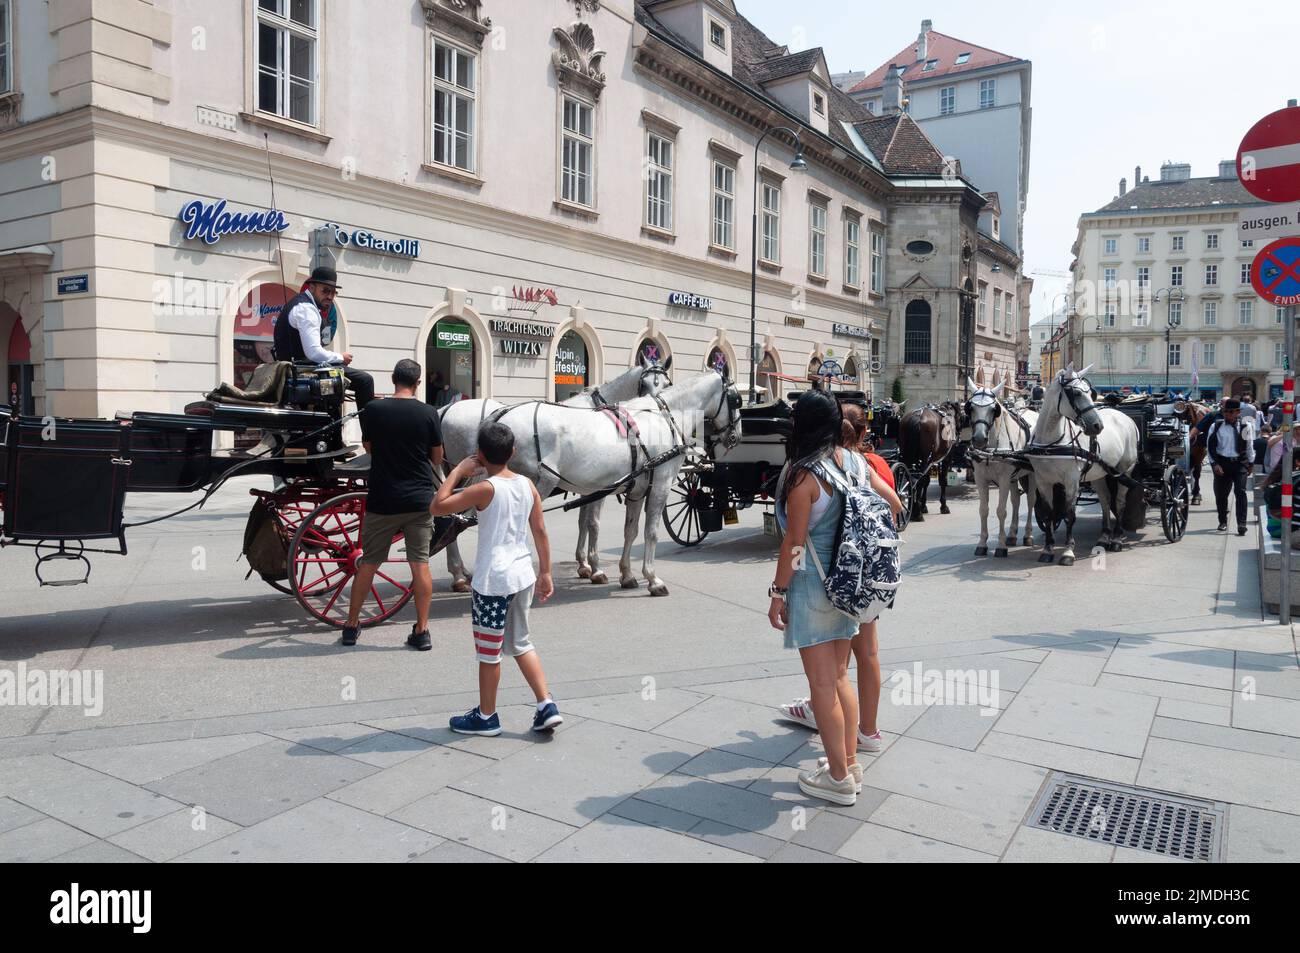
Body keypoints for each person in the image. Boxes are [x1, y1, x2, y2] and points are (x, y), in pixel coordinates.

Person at [777, 398, 903, 774]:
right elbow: (891, 504)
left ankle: (838, 778)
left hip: (814, 588)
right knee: (839, 678)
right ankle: (849, 763)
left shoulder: (804, 476)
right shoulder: (855, 462)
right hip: (849, 584)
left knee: (821, 686)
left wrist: (778, 591)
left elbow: (795, 545)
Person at [431, 422, 559, 736]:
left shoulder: (483, 489)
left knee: (489, 653)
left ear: (480, 454)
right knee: (520, 642)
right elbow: (540, 530)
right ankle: (546, 704)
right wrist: (546, 571)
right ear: (512, 452)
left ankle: (487, 716)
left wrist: (459, 470)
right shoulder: (527, 484)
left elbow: (437, 506)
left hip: (493, 581)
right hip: (522, 574)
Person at [341, 360, 443, 648]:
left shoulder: (374, 409)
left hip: (383, 499)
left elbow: (369, 448)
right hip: (419, 500)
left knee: (369, 564)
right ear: (418, 383)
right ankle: (421, 631)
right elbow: (436, 458)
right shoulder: (428, 413)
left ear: (393, 379)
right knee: (420, 565)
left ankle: (351, 627)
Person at [272, 265, 374, 410]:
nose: (330, 296)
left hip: (296, 366)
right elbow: (313, 353)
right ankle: (370, 432)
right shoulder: (307, 309)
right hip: (300, 368)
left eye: (333, 292)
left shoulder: (301, 304)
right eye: (325, 291)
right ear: (312, 287)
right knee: (365, 380)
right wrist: (340, 357)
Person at [1201, 398, 1254, 535]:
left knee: (1241, 492)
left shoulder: (1245, 426)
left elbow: (1249, 446)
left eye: (1231, 412)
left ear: (1238, 412)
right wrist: (1214, 464)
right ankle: (1222, 521)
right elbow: (1210, 447)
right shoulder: (1216, 426)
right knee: (1221, 495)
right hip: (1222, 463)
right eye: (1226, 412)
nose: (1228, 415)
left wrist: (1251, 463)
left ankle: (1241, 524)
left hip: (1239, 463)